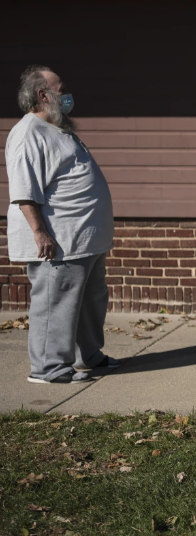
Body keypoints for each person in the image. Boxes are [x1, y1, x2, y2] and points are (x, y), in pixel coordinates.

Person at [5, 65, 118, 384]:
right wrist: (40, 233)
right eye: (62, 89)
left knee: (90, 302)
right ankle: (48, 368)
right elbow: (24, 190)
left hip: (85, 238)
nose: (67, 95)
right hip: (59, 240)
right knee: (56, 304)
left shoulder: (57, 128)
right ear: (43, 94)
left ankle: (88, 356)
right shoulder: (28, 132)